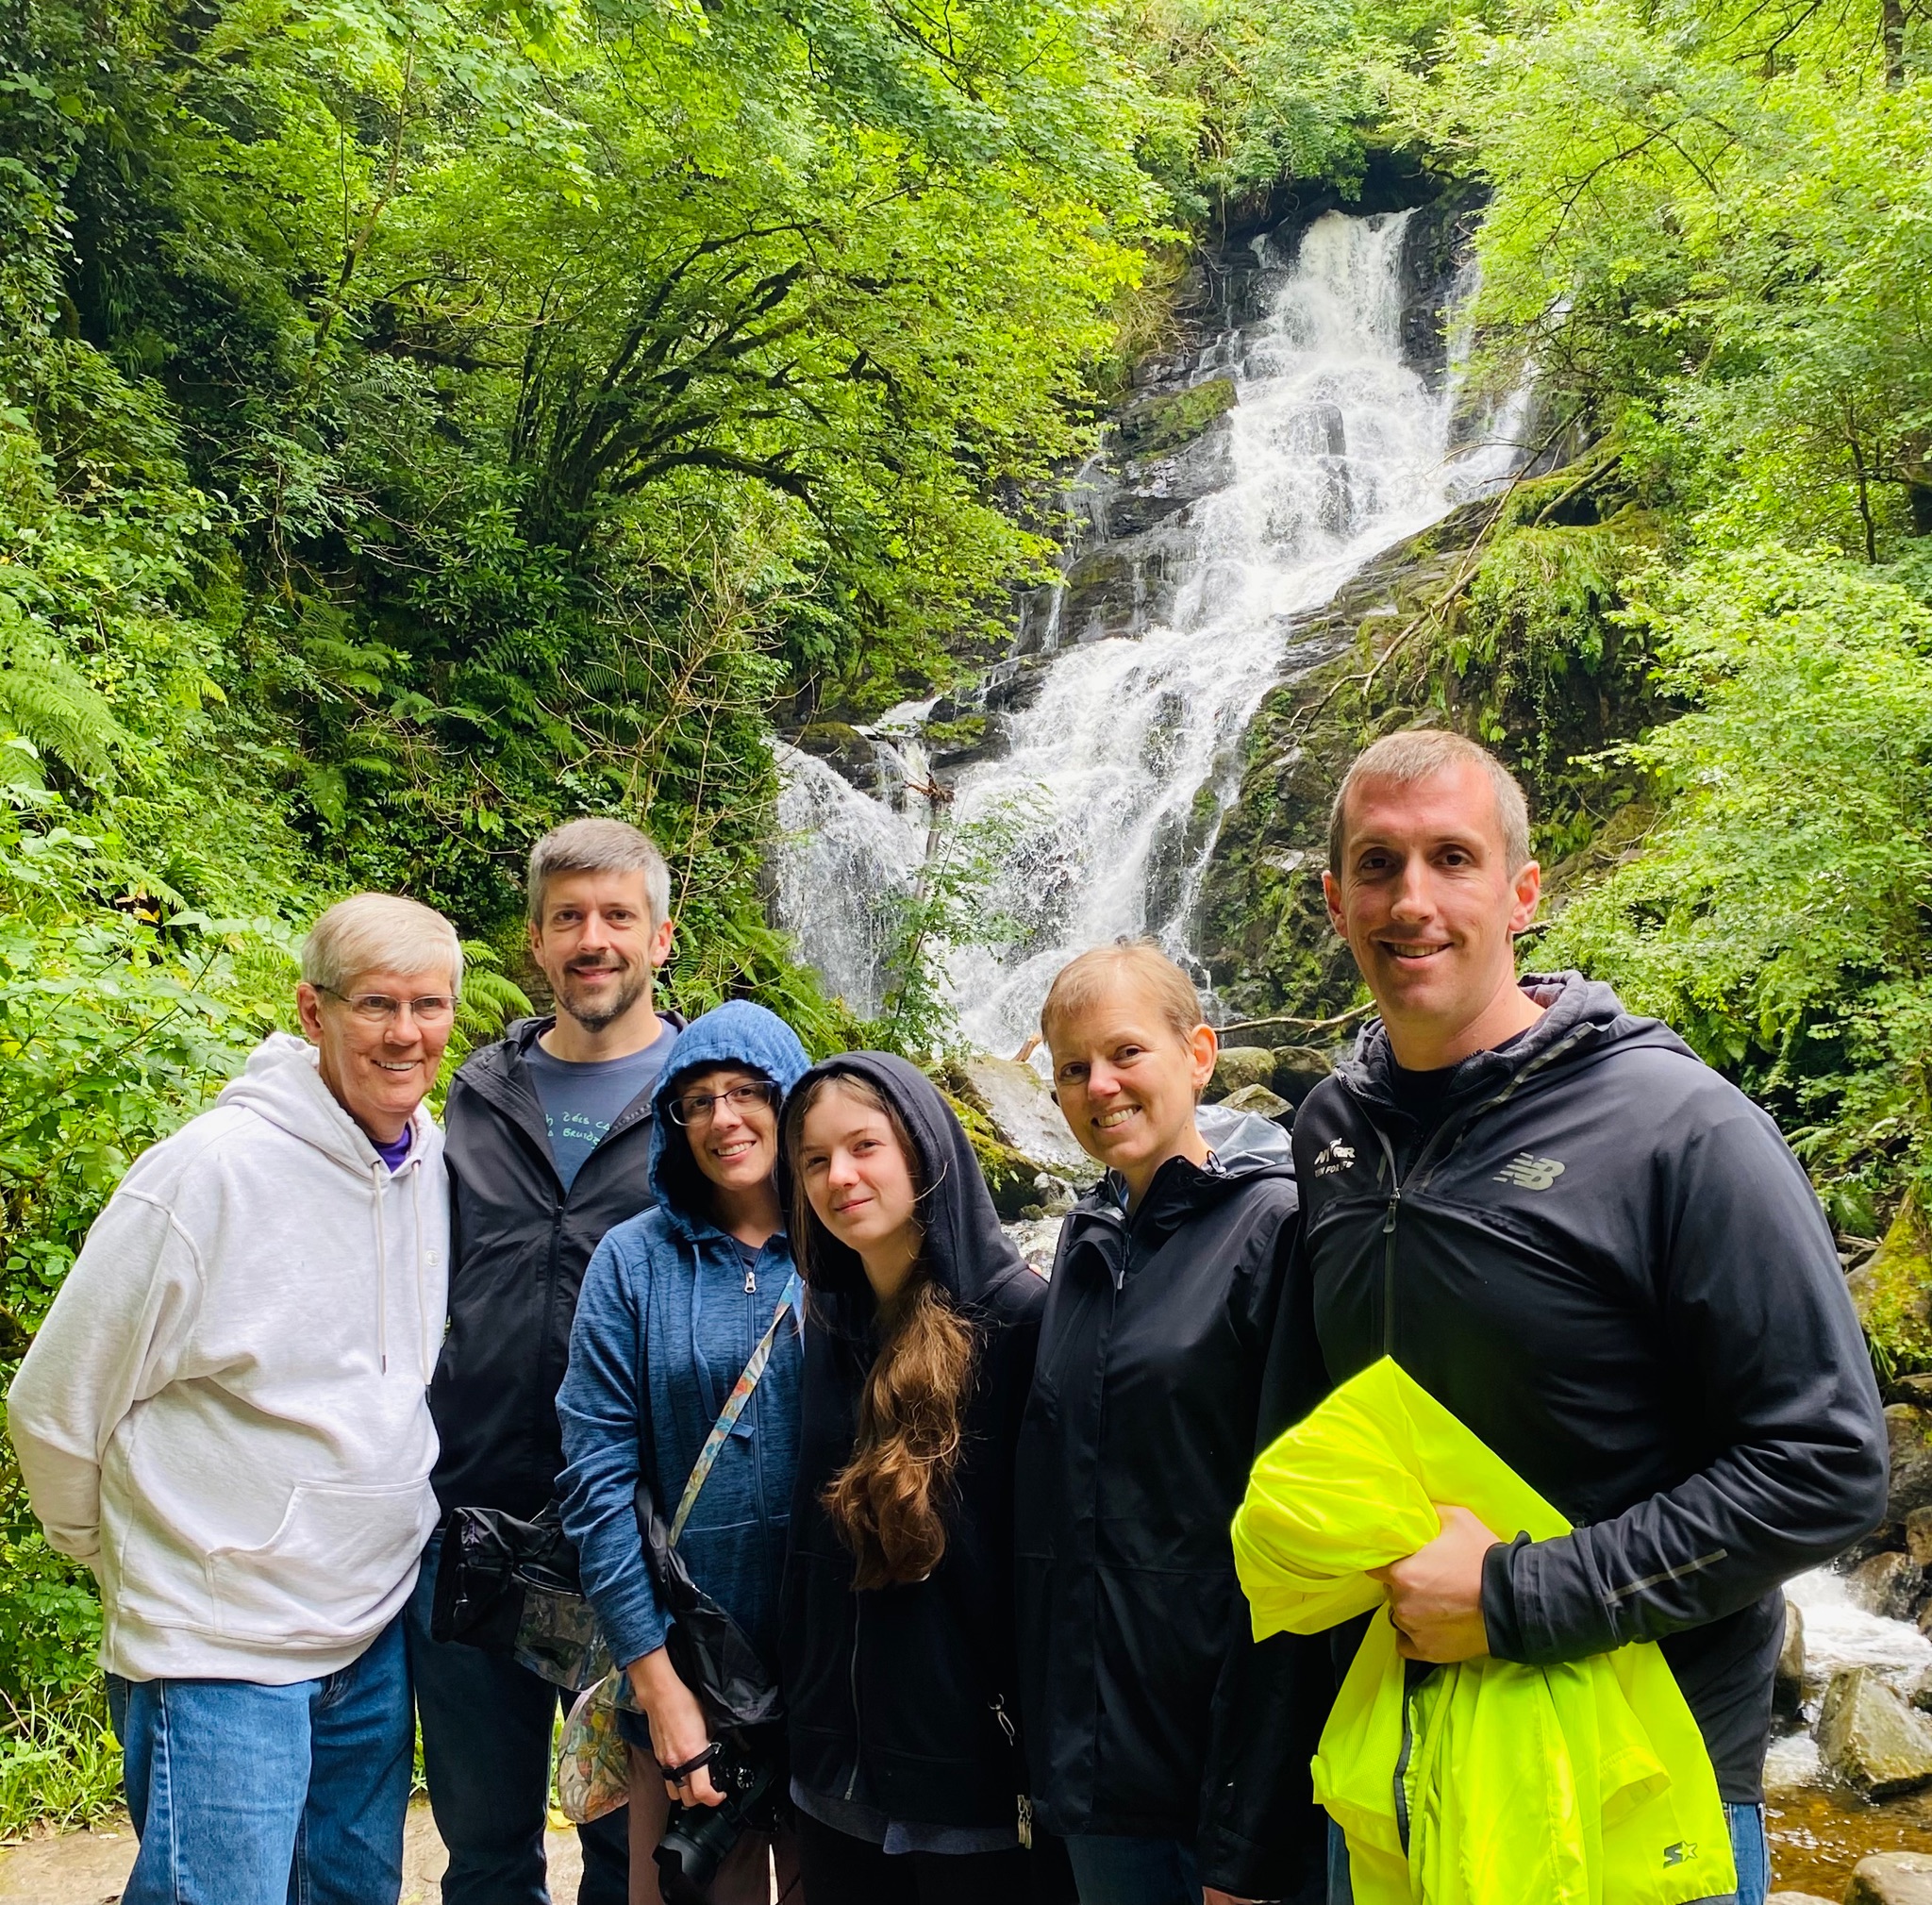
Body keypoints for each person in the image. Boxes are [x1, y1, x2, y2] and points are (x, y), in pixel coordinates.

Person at [1293, 727, 1889, 1905]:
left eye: (1451, 858)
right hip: (1397, 1765)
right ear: (1333, 900)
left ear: (1522, 893)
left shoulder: (1680, 1129)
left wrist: (1516, 1597)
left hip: (1637, 1778)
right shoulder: (1330, 1133)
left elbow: (1827, 1465)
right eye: (1376, 864)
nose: (1409, 901)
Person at [7, 893, 462, 1905]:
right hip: (217, 1646)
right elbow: (54, 1402)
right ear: (311, 1010)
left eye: (427, 1005)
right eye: (375, 1004)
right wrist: (123, 1558)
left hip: (369, 1632)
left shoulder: (429, 1160)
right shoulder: (207, 1176)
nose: (405, 1033)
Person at [1014, 941, 1328, 1905]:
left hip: (1221, 1783)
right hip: (1099, 1777)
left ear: (1198, 1054)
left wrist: (1251, 1830)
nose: (1099, 1087)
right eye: (1073, 1068)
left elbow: (1301, 1543)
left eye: (1125, 1053)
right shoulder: (1086, 1238)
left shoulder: (1275, 1228)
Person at [409, 816, 684, 1905]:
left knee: (630, 1856)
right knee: (483, 1850)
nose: (591, 939)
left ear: (660, 937)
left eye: (617, 915)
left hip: (632, 1535)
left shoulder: (711, 1104)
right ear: (534, 941)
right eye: (567, 918)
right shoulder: (477, 1094)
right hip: (470, 1518)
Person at [779, 1054, 1052, 1905]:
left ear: (924, 1150)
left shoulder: (1019, 1321)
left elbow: (1041, 1565)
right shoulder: (828, 1324)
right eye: (815, 1159)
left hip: (968, 1783)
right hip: (832, 1778)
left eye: (864, 1145)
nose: (839, 1176)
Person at [558, 1000, 813, 1904]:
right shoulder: (632, 1262)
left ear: (793, 1100)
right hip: (690, 1676)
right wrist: (658, 1684)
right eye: (697, 1100)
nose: (723, 1118)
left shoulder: (848, 1243)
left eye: (748, 1092)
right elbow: (596, 1483)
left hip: (835, 1681)